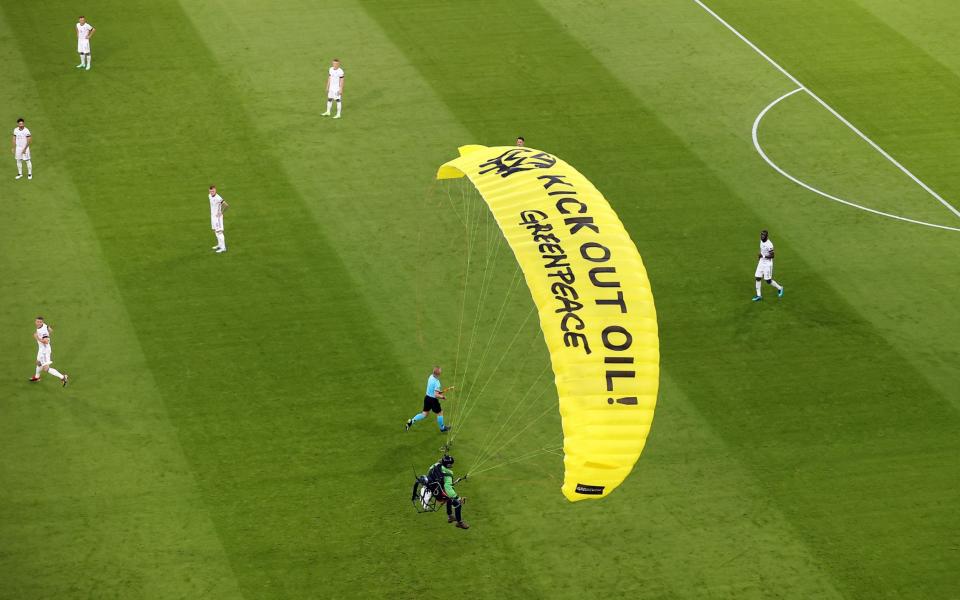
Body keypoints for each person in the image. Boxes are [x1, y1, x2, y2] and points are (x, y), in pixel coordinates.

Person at [428, 455, 468, 529]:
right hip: (439, 493)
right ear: (448, 465)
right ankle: (459, 523)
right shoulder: (448, 474)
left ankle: (450, 517)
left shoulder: (435, 465)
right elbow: (448, 488)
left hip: (432, 488)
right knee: (457, 503)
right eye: (451, 464)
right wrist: (458, 498)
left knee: (449, 499)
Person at [406, 366, 450, 432]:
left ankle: (411, 421)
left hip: (427, 398)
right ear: (438, 374)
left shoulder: (430, 377)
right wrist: (442, 397)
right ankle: (442, 428)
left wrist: (439, 392)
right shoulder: (437, 382)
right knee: (440, 413)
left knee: (424, 414)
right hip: (433, 400)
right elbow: (436, 395)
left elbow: (433, 389)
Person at [29, 317, 69, 386]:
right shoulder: (44, 325)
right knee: (38, 362)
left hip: (44, 351)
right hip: (41, 349)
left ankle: (63, 377)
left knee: (46, 368)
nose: (38, 323)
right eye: (37, 322)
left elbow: (46, 341)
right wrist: (47, 335)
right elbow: (51, 330)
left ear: (42, 322)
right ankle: (37, 377)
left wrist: (37, 337)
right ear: (35, 322)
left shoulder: (43, 331)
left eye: (40, 322)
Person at [753, 229, 784, 301]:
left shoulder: (769, 244)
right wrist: (760, 259)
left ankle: (780, 288)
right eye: (761, 235)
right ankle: (759, 295)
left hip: (767, 264)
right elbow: (762, 251)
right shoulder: (761, 241)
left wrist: (762, 256)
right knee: (757, 277)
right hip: (761, 262)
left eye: (763, 235)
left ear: (767, 236)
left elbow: (772, 256)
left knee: (768, 281)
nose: (762, 236)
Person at [208, 185, 229, 253]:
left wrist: (221, 213)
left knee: (219, 232)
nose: (212, 192)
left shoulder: (218, 198)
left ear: (215, 190)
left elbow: (226, 205)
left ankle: (223, 248)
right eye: (210, 191)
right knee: (215, 231)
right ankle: (219, 245)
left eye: (213, 191)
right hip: (213, 217)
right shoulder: (209, 196)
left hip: (218, 218)